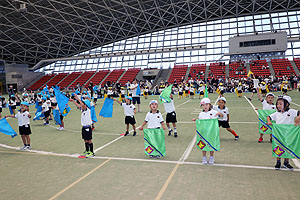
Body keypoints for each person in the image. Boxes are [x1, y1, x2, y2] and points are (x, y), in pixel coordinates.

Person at [267, 96, 300, 170]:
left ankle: (286, 162)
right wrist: (269, 121)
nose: (278, 106)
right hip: (278, 134)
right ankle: (278, 162)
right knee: (278, 147)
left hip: (288, 134)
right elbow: (269, 117)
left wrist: (298, 118)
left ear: (287, 104)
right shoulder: (276, 113)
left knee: (287, 147)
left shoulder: (291, 112)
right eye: (278, 104)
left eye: (280, 104)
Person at [192, 98, 223, 165]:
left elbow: (222, 115)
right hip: (204, 133)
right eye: (203, 105)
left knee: (211, 144)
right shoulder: (201, 114)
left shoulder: (213, 112)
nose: (205, 106)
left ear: (209, 105)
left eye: (206, 104)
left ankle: (211, 157)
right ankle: (204, 157)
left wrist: (219, 113)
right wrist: (196, 120)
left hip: (212, 133)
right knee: (203, 145)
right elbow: (200, 122)